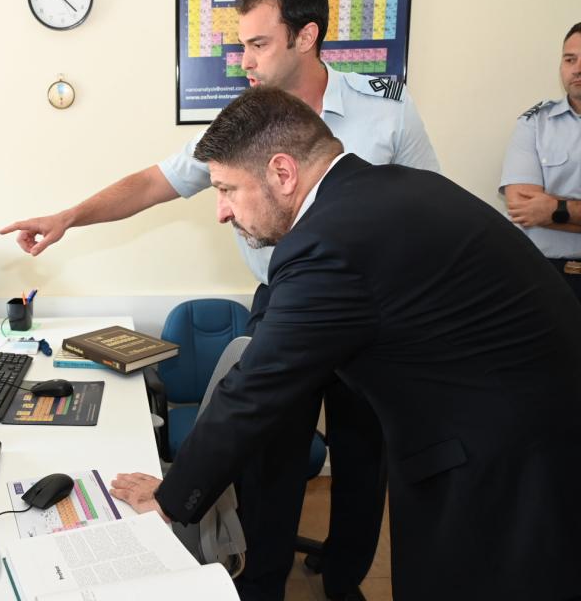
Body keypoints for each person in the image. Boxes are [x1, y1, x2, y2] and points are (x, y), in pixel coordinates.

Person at [1, 0, 438, 600]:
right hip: (284, 300)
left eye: (258, 44)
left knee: (363, 454)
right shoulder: (245, 122)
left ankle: (344, 581)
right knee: (268, 452)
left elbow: (426, 205)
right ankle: (260, 584)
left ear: (307, 37)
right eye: (241, 46)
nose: (245, 60)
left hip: (370, 311)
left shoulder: (385, 107)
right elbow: (153, 182)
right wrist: (70, 216)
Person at [109, 85, 581, 601]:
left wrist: (170, 500)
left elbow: (256, 388)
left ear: (283, 173)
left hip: (506, 462)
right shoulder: (390, 188)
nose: (221, 211)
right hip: (524, 425)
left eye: (226, 189)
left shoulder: (327, 243)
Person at [500, 22, 581, 302]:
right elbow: (522, 207)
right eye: (570, 59)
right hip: (544, 275)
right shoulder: (534, 123)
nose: (577, 68)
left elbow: (540, 212)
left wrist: (552, 209)